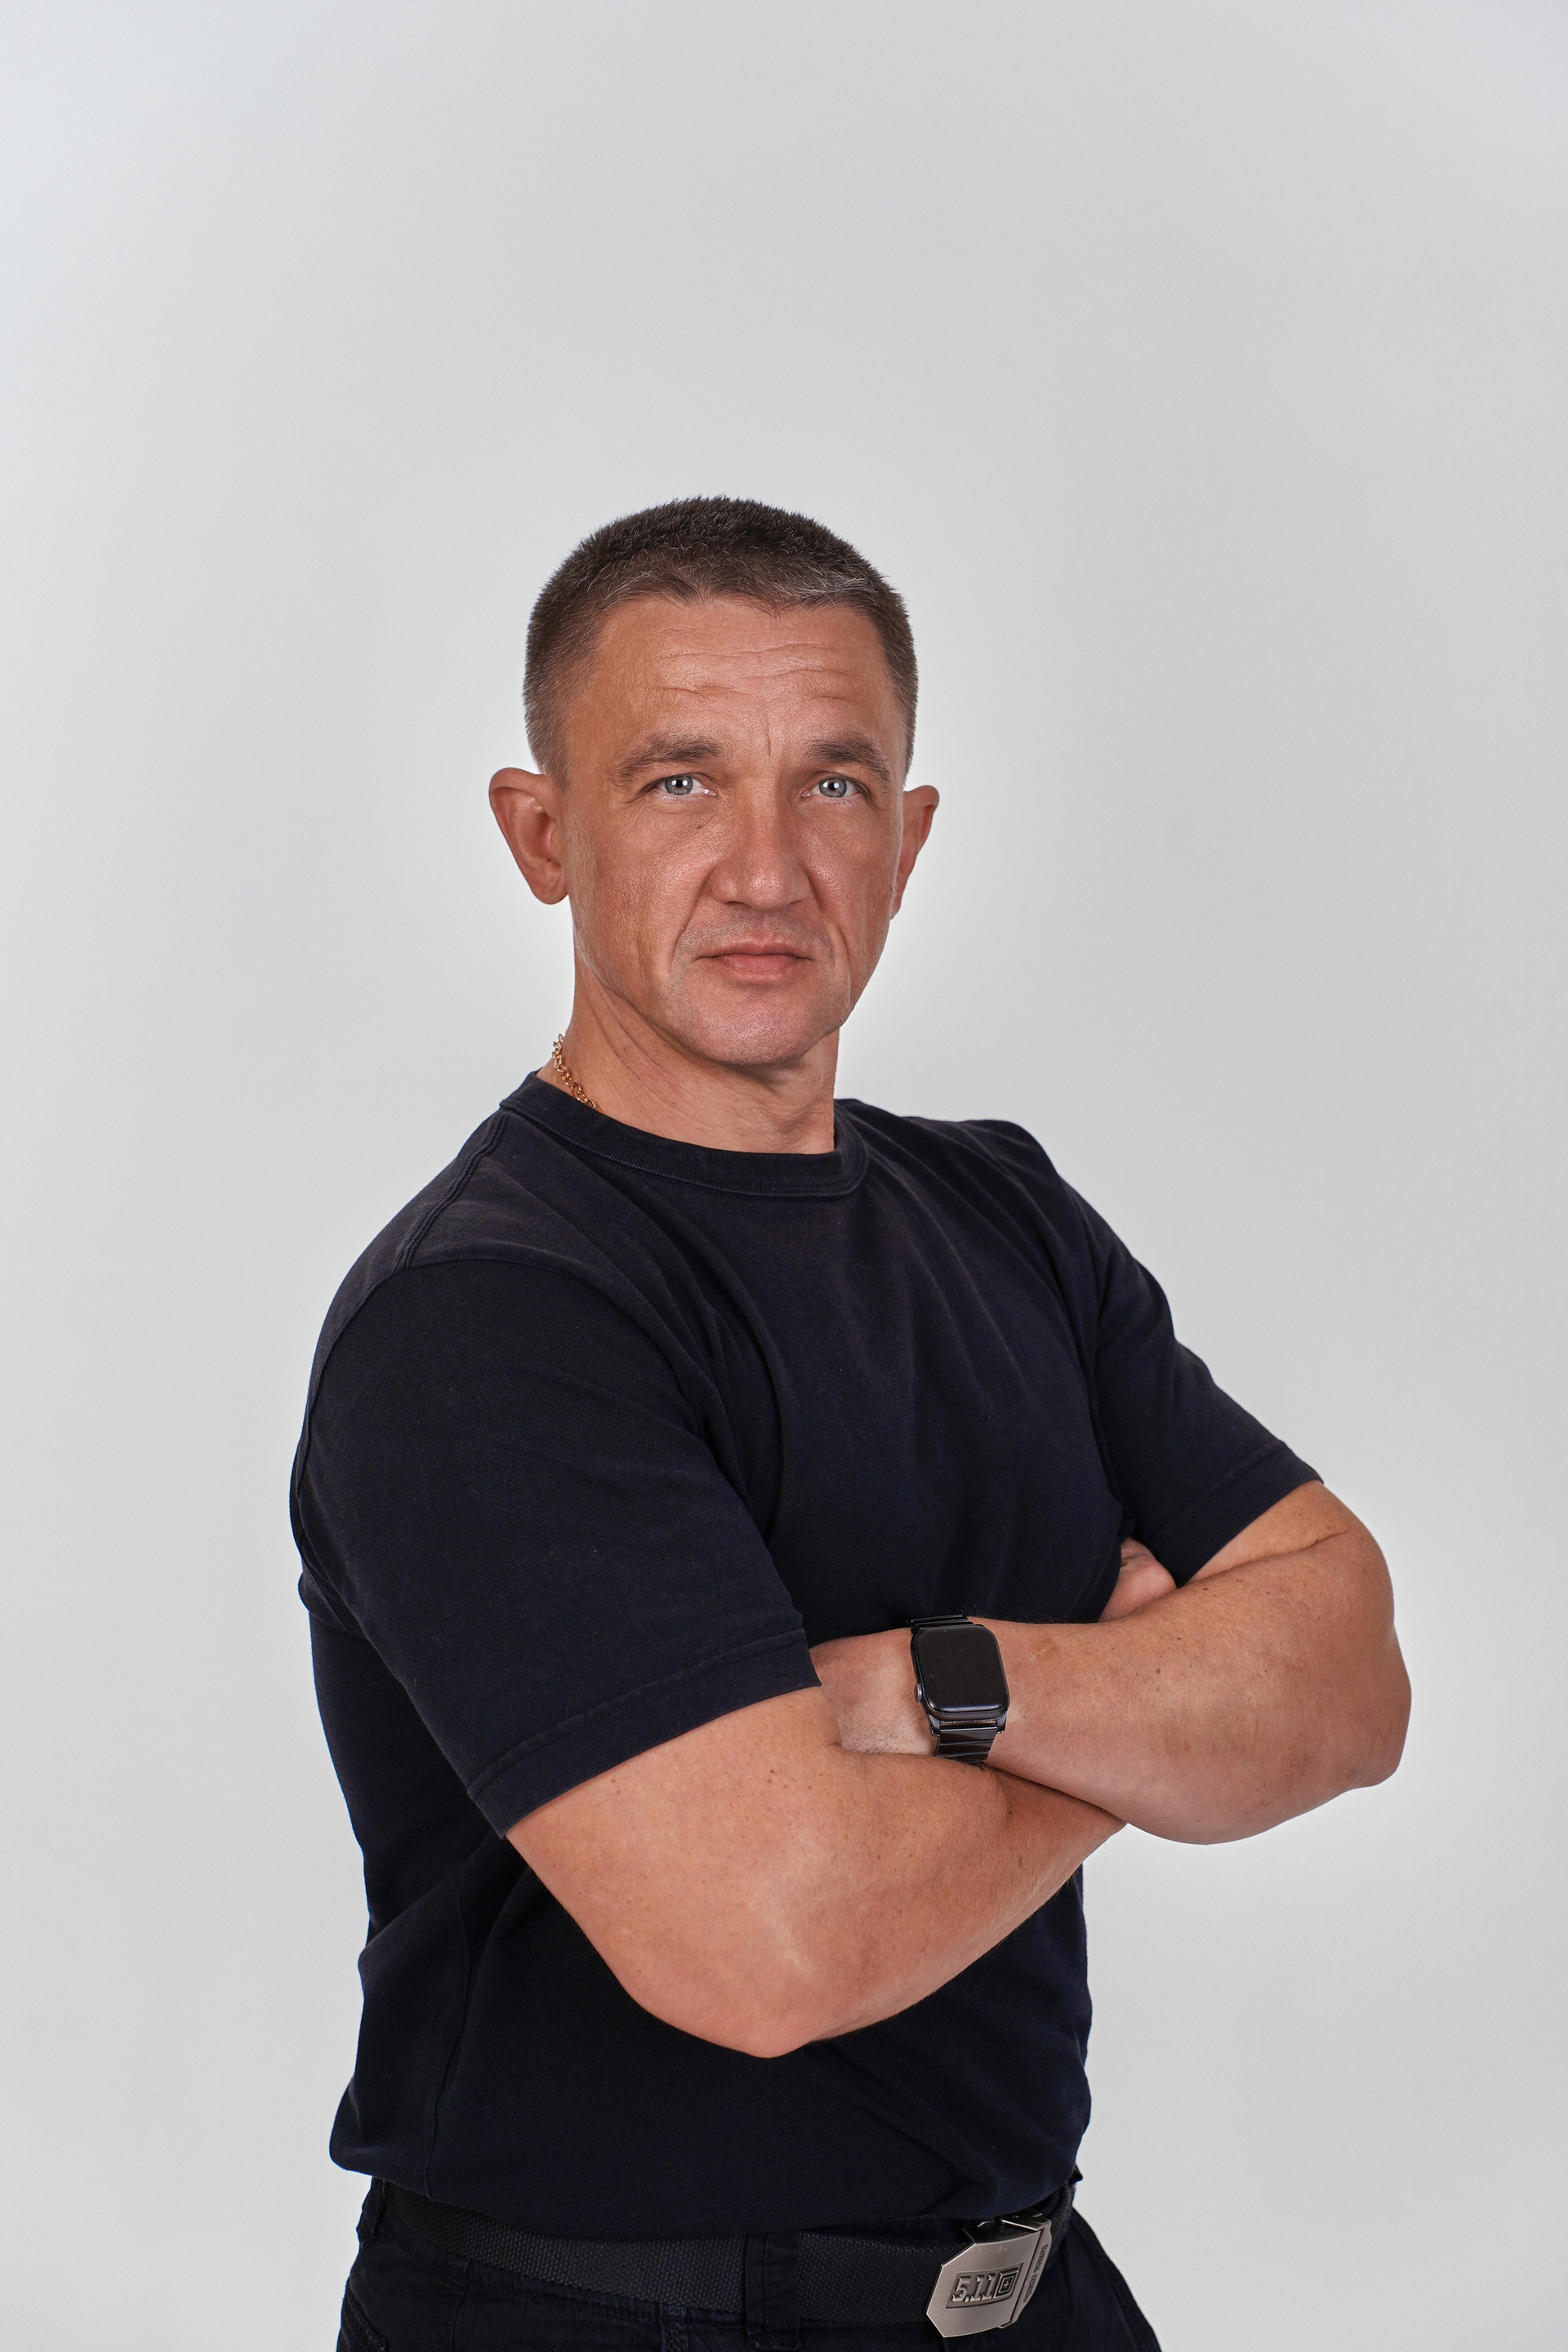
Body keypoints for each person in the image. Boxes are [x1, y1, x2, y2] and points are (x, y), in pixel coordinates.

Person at [292, 497, 1410, 2352]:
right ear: (542, 834)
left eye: (831, 785)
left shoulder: (1003, 1214)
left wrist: (931, 1686)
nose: (765, 867)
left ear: (909, 838)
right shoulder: (487, 1313)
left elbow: (1351, 1681)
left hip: (1032, 2292)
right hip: (609, 2317)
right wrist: (1137, 1718)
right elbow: (774, 1948)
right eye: (678, 783)